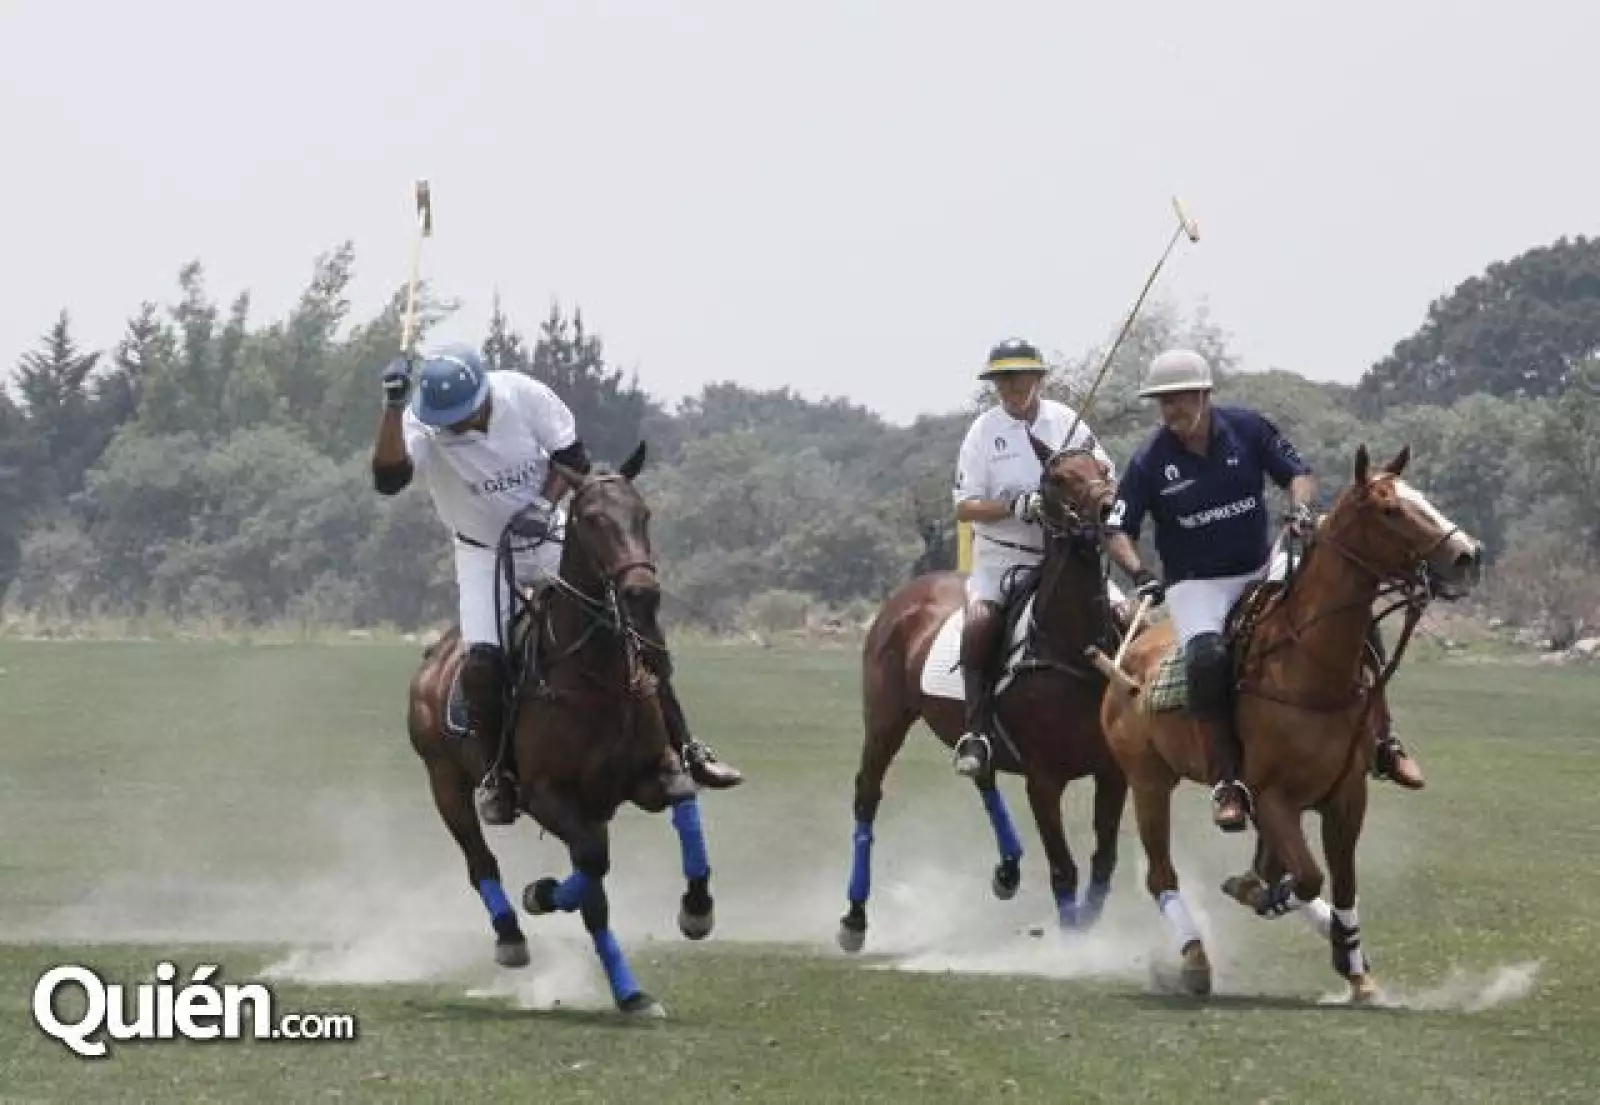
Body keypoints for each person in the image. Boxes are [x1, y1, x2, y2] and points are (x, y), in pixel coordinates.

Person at [370, 343, 743, 825]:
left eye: (465, 415)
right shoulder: (424, 423)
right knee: (484, 662)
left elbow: (572, 456)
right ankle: (497, 779)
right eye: (451, 420)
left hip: (550, 532)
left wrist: (540, 508)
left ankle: (686, 748)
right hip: (483, 552)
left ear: (485, 394)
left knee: (634, 622)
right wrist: (394, 407)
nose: (458, 426)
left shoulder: (522, 395)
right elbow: (387, 478)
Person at [1104, 348, 1424, 833]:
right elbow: (1117, 528)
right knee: (1207, 658)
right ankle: (1227, 781)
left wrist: (1299, 510)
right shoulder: (1150, 460)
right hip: (1198, 583)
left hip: (1261, 563)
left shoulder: (1248, 428)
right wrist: (1138, 571)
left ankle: (1384, 741)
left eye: (1181, 397)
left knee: (1349, 614)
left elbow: (1298, 474)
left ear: (1205, 394)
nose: (1173, 409)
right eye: (1163, 401)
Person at [950, 337, 1120, 778]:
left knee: (1127, 614)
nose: (1011, 386)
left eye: (1019, 377)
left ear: (1038, 379)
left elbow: (1105, 478)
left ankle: (1138, 719)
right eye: (1002, 379)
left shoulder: (1067, 423)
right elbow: (965, 506)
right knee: (980, 625)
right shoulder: (983, 432)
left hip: (1066, 559)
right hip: (1003, 558)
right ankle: (977, 731)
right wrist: (1016, 506)